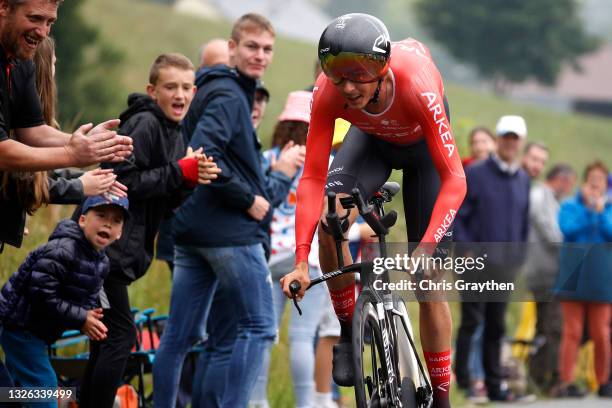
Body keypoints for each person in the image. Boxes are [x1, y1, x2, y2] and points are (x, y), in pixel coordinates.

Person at [280, 14, 467, 408]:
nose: (347, 87)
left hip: (424, 160)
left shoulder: (416, 82)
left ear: (382, 70)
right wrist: (300, 260)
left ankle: (443, 396)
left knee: (429, 282)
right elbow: (312, 178)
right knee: (332, 218)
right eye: (337, 76)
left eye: (359, 76)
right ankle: (349, 333)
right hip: (373, 142)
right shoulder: (329, 93)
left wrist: (427, 247)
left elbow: (455, 180)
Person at [152, 14, 294, 407]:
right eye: (251, 46)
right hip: (229, 234)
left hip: (190, 231)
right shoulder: (230, 96)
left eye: (267, 49)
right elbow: (202, 153)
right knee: (259, 327)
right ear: (232, 49)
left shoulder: (214, 89)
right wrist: (246, 198)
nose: (260, 55)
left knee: (180, 336)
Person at [77, 53, 220, 408]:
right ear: (152, 90)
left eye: (187, 87)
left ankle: (83, 401)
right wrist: (179, 173)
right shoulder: (145, 123)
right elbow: (120, 181)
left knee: (107, 337)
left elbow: (162, 204)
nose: (180, 95)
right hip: (101, 250)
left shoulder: (173, 130)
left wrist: (189, 180)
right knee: (120, 337)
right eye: (171, 87)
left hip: (118, 256)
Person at [0, 0, 132, 249]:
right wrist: (71, 155)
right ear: (4, 6)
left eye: (49, 22)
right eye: (35, 18)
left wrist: (83, 142)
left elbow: (32, 130)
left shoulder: (21, 59)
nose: (43, 32)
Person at [0, 194, 128, 407]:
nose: (108, 223)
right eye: (101, 215)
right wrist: (80, 318)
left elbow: (88, 298)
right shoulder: (64, 249)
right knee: (46, 391)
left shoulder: (102, 263)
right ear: (82, 220)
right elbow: (41, 292)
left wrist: (89, 319)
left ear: (120, 233)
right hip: (20, 327)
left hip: (36, 332)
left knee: (18, 391)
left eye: (116, 221)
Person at [249, 90, 322, 408]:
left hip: (268, 256)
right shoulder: (325, 162)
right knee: (303, 337)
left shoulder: (267, 159)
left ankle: (258, 400)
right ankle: (306, 403)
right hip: (309, 258)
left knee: (265, 334)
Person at [453, 115, 531, 401]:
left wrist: (519, 255)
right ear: (498, 140)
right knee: (472, 322)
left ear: (520, 143)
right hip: (475, 263)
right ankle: (464, 384)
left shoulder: (522, 179)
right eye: (506, 137)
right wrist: (467, 249)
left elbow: (523, 223)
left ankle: (495, 386)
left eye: (515, 138)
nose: (510, 142)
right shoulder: (476, 174)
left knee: (496, 326)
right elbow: (458, 218)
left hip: (505, 267)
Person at [553, 160, 612, 398]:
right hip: (573, 276)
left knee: (601, 333)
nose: (596, 183)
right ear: (586, 181)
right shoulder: (570, 206)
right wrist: (589, 210)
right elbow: (568, 229)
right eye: (593, 178)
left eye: (601, 179)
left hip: (602, 279)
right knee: (572, 332)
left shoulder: (608, 209)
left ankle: (604, 382)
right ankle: (567, 381)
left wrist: (600, 212)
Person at [525, 164, 576, 393]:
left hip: (551, 273)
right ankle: (551, 380)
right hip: (544, 273)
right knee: (553, 326)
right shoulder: (538, 195)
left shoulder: (551, 199)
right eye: (569, 182)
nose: (570, 187)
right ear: (561, 179)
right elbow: (550, 230)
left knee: (545, 326)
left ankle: (540, 377)